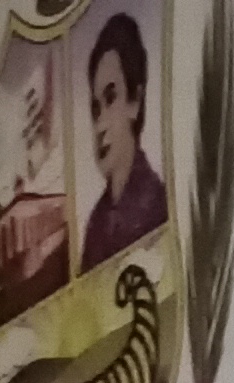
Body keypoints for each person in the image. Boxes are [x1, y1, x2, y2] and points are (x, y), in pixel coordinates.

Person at [79, 13, 169, 269]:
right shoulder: (96, 224)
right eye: (95, 108)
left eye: (111, 98)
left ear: (135, 102)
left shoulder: (157, 204)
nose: (100, 125)